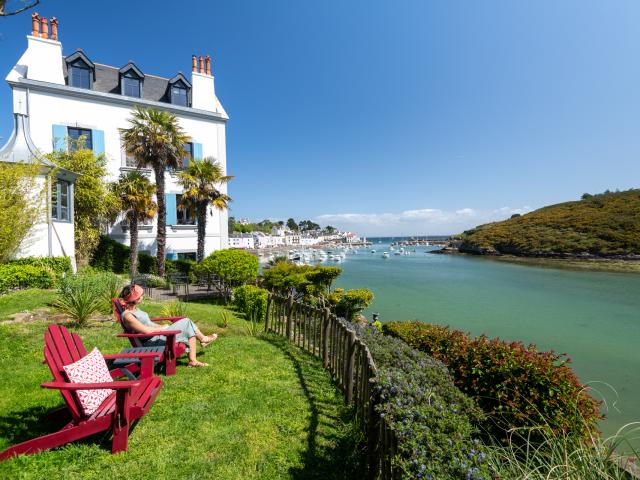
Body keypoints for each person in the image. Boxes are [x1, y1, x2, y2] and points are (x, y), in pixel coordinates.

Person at [118, 284, 217, 367]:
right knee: (186, 321)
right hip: (152, 343)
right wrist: (161, 328)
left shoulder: (135, 310)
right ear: (135, 299)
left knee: (188, 325)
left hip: (157, 336)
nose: (142, 296)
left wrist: (160, 327)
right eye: (140, 295)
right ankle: (202, 341)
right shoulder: (128, 316)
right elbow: (146, 331)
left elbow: (147, 326)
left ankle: (194, 358)